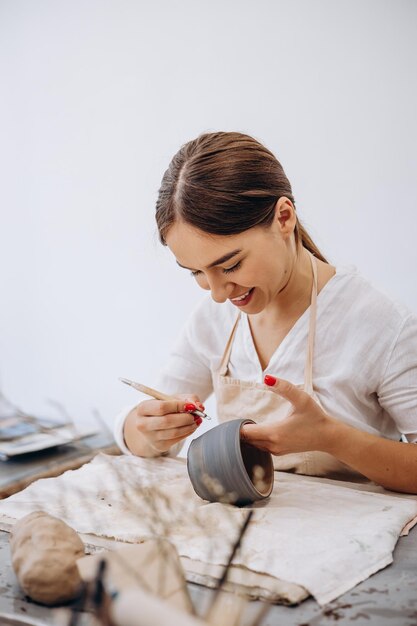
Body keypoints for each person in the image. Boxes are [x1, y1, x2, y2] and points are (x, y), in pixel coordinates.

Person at [114, 131, 417, 494]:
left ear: (284, 218)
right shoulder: (214, 321)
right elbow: (148, 421)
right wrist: (143, 430)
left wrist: (332, 438)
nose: (216, 293)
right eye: (195, 272)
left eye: (230, 265)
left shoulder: (382, 323)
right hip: (254, 539)